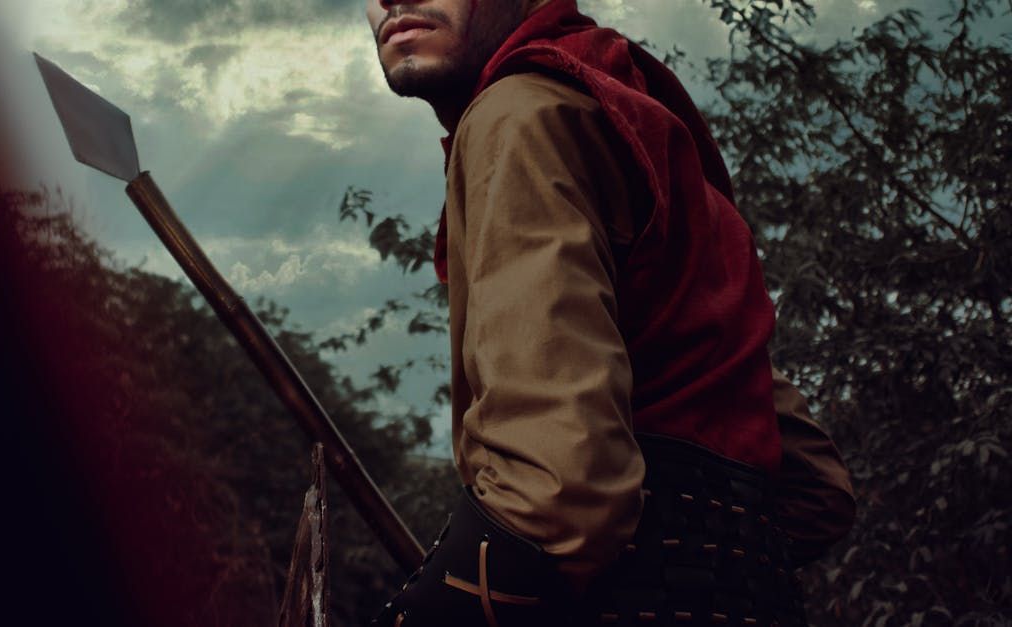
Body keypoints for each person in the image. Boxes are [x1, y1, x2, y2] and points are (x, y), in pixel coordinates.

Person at [364, 1, 856, 625]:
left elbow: (556, 500)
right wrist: (706, 564)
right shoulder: (623, 114)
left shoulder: (519, 114)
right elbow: (814, 492)